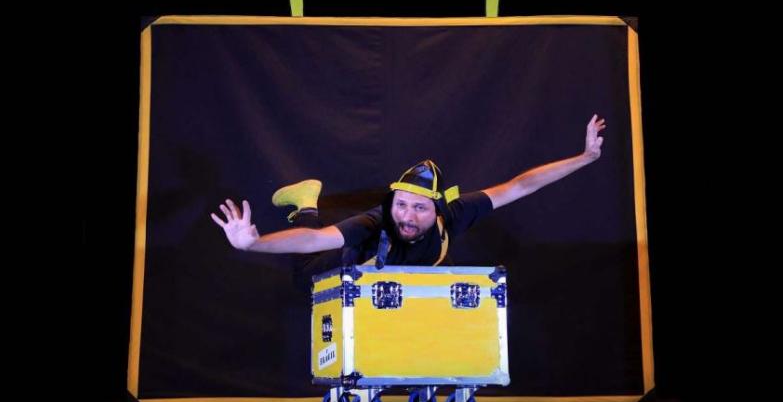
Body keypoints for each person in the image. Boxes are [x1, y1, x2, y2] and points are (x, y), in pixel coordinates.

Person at [211, 115, 606, 292]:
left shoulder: (455, 212)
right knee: (304, 279)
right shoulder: (376, 221)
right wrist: (253, 244)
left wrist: (584, 158)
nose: (407, 215)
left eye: (419, 208)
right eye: (401, 204)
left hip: (402, 282)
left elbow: (520, 186)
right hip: (344, 267)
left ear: (438, 209)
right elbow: (314, 241)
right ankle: (306, 203)